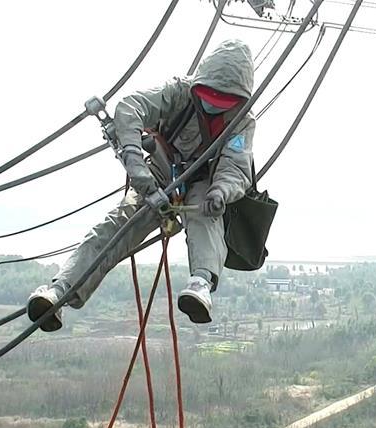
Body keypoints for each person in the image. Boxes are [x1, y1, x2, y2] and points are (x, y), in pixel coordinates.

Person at [26, 39, 255, 331]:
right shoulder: (178, 94)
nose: (214, 104)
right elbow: (131, 108)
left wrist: (222, 191)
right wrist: (137, 166)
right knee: (118, 223)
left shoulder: (242, 122)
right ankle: (60, 291)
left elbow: (236, 165)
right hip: (159, 174)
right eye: (209, 95)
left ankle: (201, 283)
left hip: (203, 183)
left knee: (206, 216)